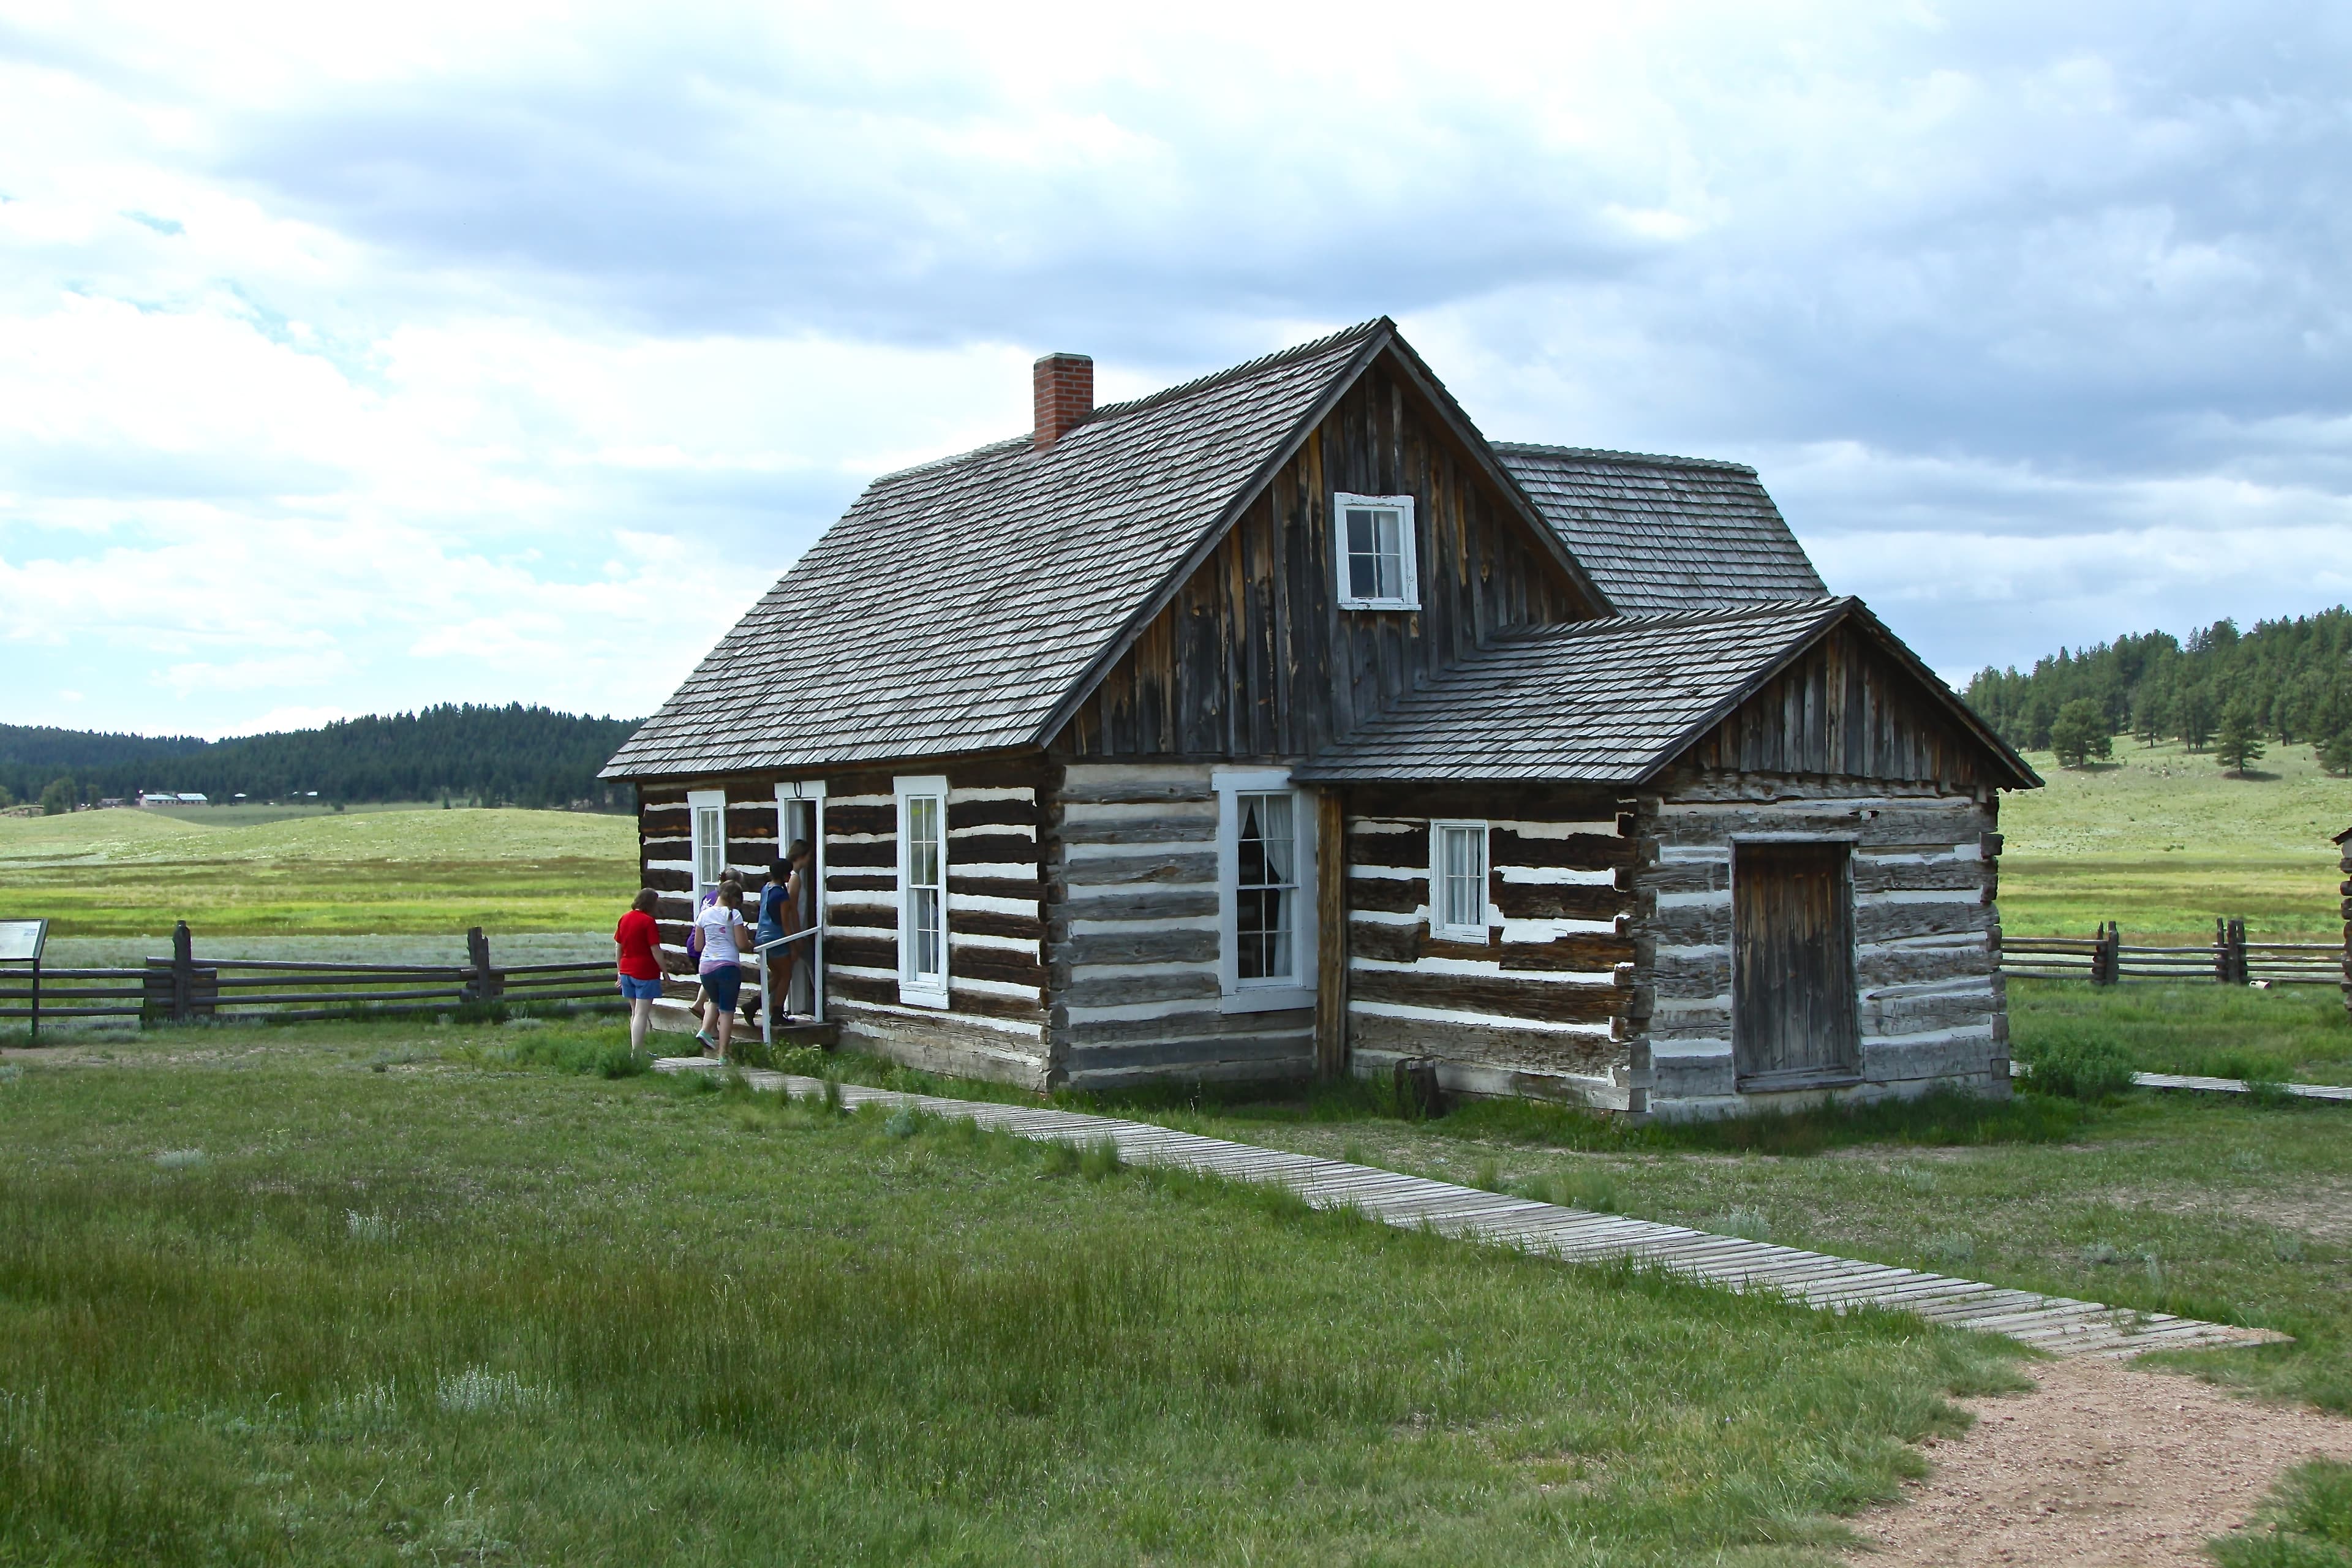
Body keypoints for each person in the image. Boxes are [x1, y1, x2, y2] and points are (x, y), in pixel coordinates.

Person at [692, 876, 754, 1058]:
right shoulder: (734, 915)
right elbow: (742, 944)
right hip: (727, 966)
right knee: (727, 1011)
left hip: (706, 967)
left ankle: (705, 1031)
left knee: (714, 1000)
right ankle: (722, 1054)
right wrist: (750, 942)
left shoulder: (703, 915)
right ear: (735, 899)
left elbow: (698, 946)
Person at [612, 888, 666, 1055]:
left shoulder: (625, 918)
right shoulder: (648, 921)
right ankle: (637, 1052)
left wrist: (620, 970)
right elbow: (655, 949)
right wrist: (665, 970)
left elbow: (618, 947)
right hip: (645, 971)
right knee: (642, 1014)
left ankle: (639, 1049)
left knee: (635, 1012)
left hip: (627, 970)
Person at [782, 839, 815, 1018]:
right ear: (802, 856)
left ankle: (765, 1005)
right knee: (812, 965)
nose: (810, 860)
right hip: (795, 932)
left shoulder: (791, 877)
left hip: (794, 932)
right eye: (808, 856)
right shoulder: (794, 879)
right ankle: (819, 1007)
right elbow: (792, 909)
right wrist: (797, 936)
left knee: (783, 972)